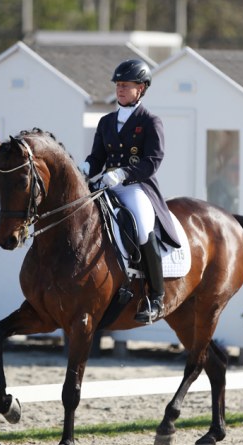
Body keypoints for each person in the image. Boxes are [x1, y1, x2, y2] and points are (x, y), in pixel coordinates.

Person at [80, 59, 180, 324]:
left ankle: (156, 297)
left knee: (143, 226)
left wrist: (124, 173)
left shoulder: (150, 121)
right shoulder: (106, 122)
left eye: (126, 85)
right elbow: (97, 157)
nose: (120, 89)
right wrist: (85, 168)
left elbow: (153, 160)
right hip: (107, 185)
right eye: (118, 85)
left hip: (137, 186)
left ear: (141, 89)